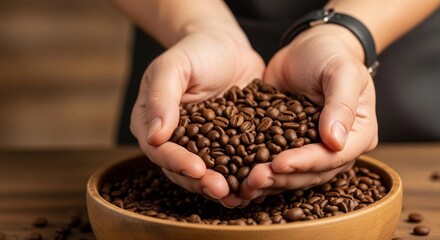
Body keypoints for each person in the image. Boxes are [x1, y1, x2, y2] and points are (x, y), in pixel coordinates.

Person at [112, 0, 439, 207]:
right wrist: (198, 25)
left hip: (394, 36)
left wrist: (345, 35)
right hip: (180, 41)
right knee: (166, 151)